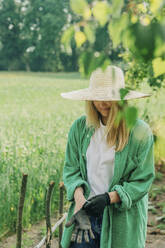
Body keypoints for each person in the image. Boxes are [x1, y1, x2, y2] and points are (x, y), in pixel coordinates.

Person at [60, 65, 155, 248]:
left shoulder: (139, 132)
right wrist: (81, 204)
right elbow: (71, 171)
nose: (103, 103)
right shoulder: (80, 128)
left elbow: (142, 181)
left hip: (121, 220)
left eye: (109, 97)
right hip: (84, 216)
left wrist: (108, 198)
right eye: (98, 97)